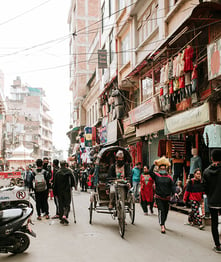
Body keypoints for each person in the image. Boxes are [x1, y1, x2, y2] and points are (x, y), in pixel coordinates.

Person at [149, 156, 177, 234]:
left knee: (166, 212)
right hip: (159, 197)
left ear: (166, 169)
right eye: (161, 168)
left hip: (167, 198)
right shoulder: (157, 176)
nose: (162, 170)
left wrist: (175, 192)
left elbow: (173, 186)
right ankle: (162, 225)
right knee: (161, 210)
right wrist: (153, 164)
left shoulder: (169, 177)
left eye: (164, 168)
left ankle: (163, 222)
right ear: (159, 169)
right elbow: (150, 172)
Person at [203, 149, 221, 253]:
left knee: (214, 223)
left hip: (212, 201)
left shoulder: (206, 172)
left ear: (211, 158)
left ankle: (217, 245)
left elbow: (205, 188)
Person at [53, 160, 76, 225]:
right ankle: (65, 215)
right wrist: (72, 186)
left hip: (59, 191)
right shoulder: (69, 172)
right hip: (67, 190)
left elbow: (55, 184)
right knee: (67, 203)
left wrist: (55, 193)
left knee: (61, 204)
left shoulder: (58, 173)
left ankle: (62, 217)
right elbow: (73, 181)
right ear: (65, 164)